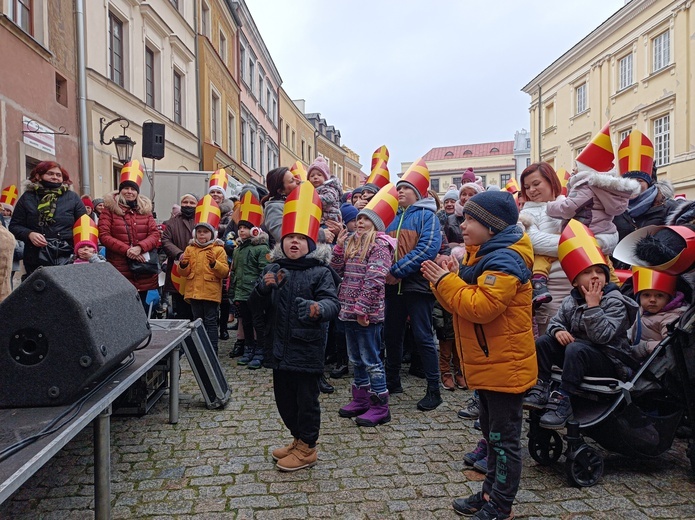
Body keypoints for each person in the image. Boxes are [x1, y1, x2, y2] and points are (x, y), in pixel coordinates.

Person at [422, 190, 537, 520]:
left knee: (504, 442)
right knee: (492, 436)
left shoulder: (506, 260)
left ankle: (502, 506)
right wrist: (446, 280)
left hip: (505, 367)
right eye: (464, 217)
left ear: (492, 226)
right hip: (491, 365)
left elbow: (480, 307)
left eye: (471, 219)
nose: (463, 223)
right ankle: (490, 493)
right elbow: (460, 304)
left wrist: (446, 280)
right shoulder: (482, 253)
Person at [249, 182, 340, 472]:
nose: (294, 242)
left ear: (311, 244)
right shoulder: (273, 269)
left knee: (306, 402)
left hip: (306, 349)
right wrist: (263, 289)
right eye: (289, 237)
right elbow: (254, 305)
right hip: (278, 348)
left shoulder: (320, 272)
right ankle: (297, 439)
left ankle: (308, 448)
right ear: (281, 242)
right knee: (284, 401)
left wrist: (317, 309)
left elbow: (332, 304)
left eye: (301, 238)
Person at [523, 220, 639, 430]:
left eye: (599, 272)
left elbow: (602, 337)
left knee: (576, 348)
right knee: (543, 342)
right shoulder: (571, 300)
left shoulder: (615, 301)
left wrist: (593, 307)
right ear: (575, 281)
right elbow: (556, 322)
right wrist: (558, 331)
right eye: (587, 272)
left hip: (609, 359)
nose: (595, 276)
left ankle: (563, 399)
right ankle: (541, 387)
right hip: (578, 356)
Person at [542, 125, 640, 301]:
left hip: (586, 231)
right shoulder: (605, 188)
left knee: (589, 274)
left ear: (585, 168)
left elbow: (568, 209)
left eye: (577, 165)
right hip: (604, 232)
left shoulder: (586, 186)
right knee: (605, 270)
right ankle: (616, 300)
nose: (573, 169)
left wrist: (550, 206)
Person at [331, 183, 398, 427]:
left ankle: (380, 405)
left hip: (365, 313)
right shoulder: (351, 243)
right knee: (355, 358)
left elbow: (374, 280)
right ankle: (360, 399)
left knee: (371, 359)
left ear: (376, 224)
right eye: (358, 218)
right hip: (347, 310)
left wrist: (361, 308)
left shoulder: (380, 245)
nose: (360, 222)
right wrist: (338, 245)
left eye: (366, 219)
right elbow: (336, 268)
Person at [383, 158, 443, 411]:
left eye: (406, 188)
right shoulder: (392, 219)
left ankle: (434, 389)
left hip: (416, 286)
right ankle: (392, 380)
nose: (401, 192)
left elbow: (428, 248)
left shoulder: (427, 217)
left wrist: (397, 271)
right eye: (399, 188)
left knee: (422, 336)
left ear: (418, 193)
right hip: (392, 288)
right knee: (391, 335)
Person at [98, 160, 160, 310]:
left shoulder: (145, 211)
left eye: (133, 189)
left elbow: (155, 234)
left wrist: (139, 247)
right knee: (122, 309)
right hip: (120, 267)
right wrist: (127, 250)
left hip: (143, 267)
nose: (129, 192)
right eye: (126, 188)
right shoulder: (109, 211)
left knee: (141, 309)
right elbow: (104, 236)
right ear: (120, 191)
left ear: (137, 192)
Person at [517, 162, 573, 325]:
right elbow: (533, 241)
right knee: (551, 335)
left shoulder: (570, 206)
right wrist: (574, 244)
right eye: (527, 187)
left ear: (551, 181)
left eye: (536, 184)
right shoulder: (525, 214)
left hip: (578, 280)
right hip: (548, 287)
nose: (531, 190)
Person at [613, 131, 683, 261]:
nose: (634, 185)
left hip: (659, 275)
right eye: (629, 181)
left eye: (640, 181)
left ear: (649, 182)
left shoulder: (671, 209)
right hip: (621, 276)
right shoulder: (613, 211)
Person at [9, 161, 87, 277]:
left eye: (58, 175)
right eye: (50, 174)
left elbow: (84, 225)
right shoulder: (27, 197)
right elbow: (14, 226)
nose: (55, 177)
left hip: (66, 254)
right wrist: (29, 234)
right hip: (35, 256)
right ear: (38, 176)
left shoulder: (73, 198)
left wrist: (83, 248)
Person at [177, 195, 230, 354]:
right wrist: (183, 264)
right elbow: (183, 273)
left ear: (212, 234)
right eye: (199, 232)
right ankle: (199, 350)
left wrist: (214, 263)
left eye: (205, 232)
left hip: (210, 293)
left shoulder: (218, 250)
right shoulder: (190, 249)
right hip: (194, 292)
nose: (202, 235)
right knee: (197, 321)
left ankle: (212, 350)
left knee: (211, 322)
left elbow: (224, 272)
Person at [230, 188, 270, 369]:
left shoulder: (261, 249)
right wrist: (233, 290)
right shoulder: (238, 249)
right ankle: (249, 348)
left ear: (254, 230)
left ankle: (260, 350)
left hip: (254, 294)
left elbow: (264, 270)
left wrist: (259, 290)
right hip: (241, 293)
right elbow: (235, 271)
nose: (242, 231)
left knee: (258, 323)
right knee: (245, 322)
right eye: (240, 228)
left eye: (245, 228)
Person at [629, 268, 687, 361]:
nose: (652, 300)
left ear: (669, 299)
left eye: (659, 295)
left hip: (656, 364)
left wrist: (645, 347)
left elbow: (672, 347)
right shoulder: (641, 310)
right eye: (646, 295)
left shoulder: (670, 318)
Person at [207, 169, 236, 341]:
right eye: (213, 192)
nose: (216, 195)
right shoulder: (203, 208)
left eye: (219, 192)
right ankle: (212, 325)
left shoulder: (229, 212)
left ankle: (223, 327)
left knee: (224, 297)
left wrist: (213, 230)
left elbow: (229, 230)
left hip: (224, 256)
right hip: (206, 256)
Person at [162, 193, 198, 320]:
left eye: (192, 202)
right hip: (177, 270)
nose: (188, 205)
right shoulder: (172, 223)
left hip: (198, 269)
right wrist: (179, 253)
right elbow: (166, 240)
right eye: (185, 202)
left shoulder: (202, 219)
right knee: (181, 307)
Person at [262, 166, 300, 246]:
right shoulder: (273, 208)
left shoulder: (298, 202)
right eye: (292, 181)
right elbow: (284, 236)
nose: (298, 181)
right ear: (281, 191)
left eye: (295, 178)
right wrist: (320, 234)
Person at [307, 156, 343, 225]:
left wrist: (313, 197)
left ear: (326, 178)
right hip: (322, 219)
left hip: (331, 219)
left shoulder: (329, 188)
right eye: (312, 176)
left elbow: (329, 199)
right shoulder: (313, 190)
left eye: (319, 175)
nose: (315, 177)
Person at [1, 185, 23, 287]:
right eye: (3, 210)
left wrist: (18, 250)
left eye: (8, 210)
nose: (5, 212)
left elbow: (20, 239)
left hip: (13, 258)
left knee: (8, 283)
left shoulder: (15, 223)